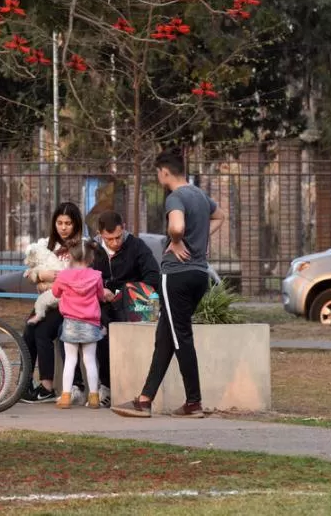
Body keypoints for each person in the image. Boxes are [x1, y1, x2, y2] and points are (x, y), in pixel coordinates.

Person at [112, 150, 226, 419]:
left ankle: (193, 403)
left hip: (176, 275)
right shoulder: (199, 195)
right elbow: (219, 216)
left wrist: (177, 240)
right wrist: (200, 241)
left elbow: (176, 226)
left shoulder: (176, 197)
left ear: (164, 171)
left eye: (157, 173)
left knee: (180, 337)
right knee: (166, 336)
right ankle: (144, 400)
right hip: (199, 275)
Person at [79, 210, 159, 407]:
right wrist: (102, 288)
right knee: (102, 331)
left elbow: (152, 276)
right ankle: (106, 385)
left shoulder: (137, 246)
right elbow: (82, 277)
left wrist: (127, 290)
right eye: (109, 239)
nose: (115, 242)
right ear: (100, 234)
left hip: (131, 304)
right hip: (102, 304)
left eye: (118, 237)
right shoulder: (92, 249)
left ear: (123, 228)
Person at [20, 202, 84, 403]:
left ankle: (47, 386)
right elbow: (29, 273)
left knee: (42, 331)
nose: (63, 227)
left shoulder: (82, 247)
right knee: (28, 331)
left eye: (68, 223)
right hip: (47, 301)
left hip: (70, 303)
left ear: (76, 225)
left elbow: (76, 277)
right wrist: (41, 275)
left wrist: (46, 285)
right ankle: (24, 382)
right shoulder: (46, 245)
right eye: (59, 223)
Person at [52, 240, 104, 409]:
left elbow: (55, 292)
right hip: (90, 323)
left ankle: (66, 396)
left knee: (70, 360)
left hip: (70, 323)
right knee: (89, 360)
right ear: (90, 258)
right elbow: (101, 295)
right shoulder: (96, 276)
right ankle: (94, 397)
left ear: (70, 256)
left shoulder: (63, 276)